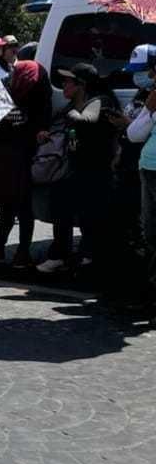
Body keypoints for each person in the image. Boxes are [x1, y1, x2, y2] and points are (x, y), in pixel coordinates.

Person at [37, 63, 120, 273]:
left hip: (96, 172)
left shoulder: (100, 101)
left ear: (81, 85)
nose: (63, 85)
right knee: (61, 210)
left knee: (90, 217)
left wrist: (72, 113)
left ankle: (88, 259)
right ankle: (60, 255)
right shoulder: (70, 105)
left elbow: (86, 120)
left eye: (68, 82)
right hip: (74, 169)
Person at [0, 60, 51, 268]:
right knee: (23, 208)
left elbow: (0, 122)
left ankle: (0, 248)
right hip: (26, 157)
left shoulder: (10, 94)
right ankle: (21, 252)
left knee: (9, 205)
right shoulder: (41, 95)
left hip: (7, 157)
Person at [126, 45, 156, 320]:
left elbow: (135, 133)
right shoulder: (150, 98)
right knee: (151, 235)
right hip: (149, 168)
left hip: (151, 169)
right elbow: (136, 132)